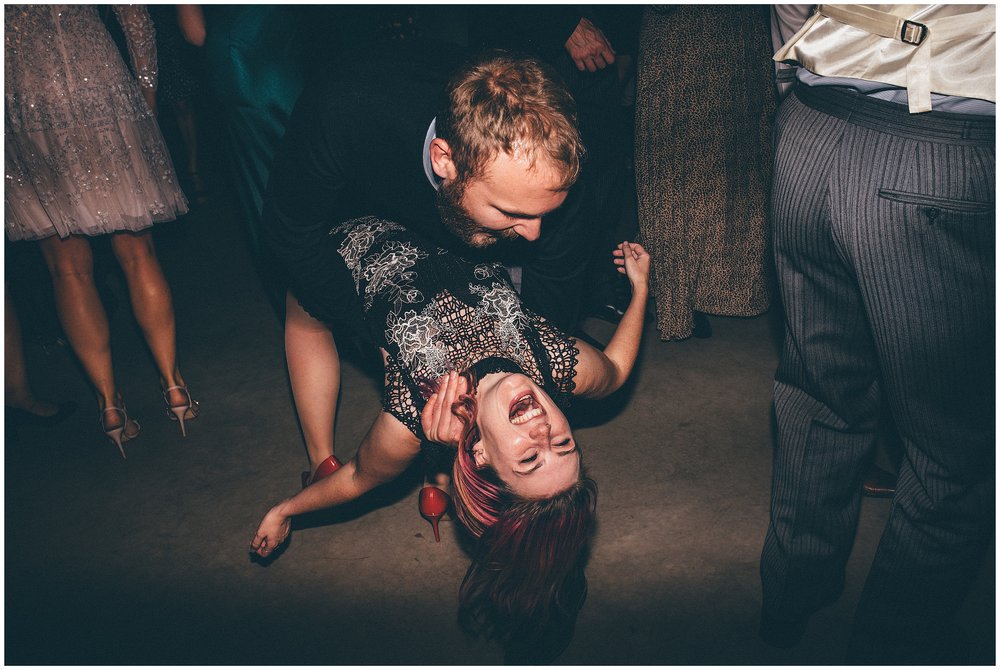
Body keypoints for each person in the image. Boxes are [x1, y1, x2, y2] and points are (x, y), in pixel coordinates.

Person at [251, 215, 650, 659]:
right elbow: (614, 372)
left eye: (529, 459)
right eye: (562, 443)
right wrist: (641, 289)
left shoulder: (416, 413)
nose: (543, 430)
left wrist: (285, 510)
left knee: (303, 307)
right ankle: (436, 480)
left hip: (347, 237)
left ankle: (320, 455)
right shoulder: (553, 362)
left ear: (479, 454)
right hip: (435, 213)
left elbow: (359, 477)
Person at [761, 5, 994, 663]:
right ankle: (896, 644)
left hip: (811, 129)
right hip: (938, 145)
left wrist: (797, 101)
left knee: (817, 394)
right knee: (955, 451)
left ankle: (787, 602)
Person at [265, 48, 599, 487]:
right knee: (306, 308)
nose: (536, 233)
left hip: (461, 235)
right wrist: (383, 338)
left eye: (544, 214)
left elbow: (549, 298)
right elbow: (291, 231)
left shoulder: (548, 168)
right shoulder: (347, 107)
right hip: (354, 207)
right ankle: (323, 463)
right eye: (511, 211)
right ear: (444, 159)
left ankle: (439, 476)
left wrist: (487, 404)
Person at [5, 5, 199, 457]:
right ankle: (174, 387)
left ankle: (109, 406)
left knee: (67, 270)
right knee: (138, 253)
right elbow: (135, 16)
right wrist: (146, 92)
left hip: (25, 100)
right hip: (101, 89)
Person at [634, 5, 775, 341]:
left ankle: (720, 291)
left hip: (741, 31)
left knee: (734, 167)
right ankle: (675, 302)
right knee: (675, 168)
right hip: (680, 37)